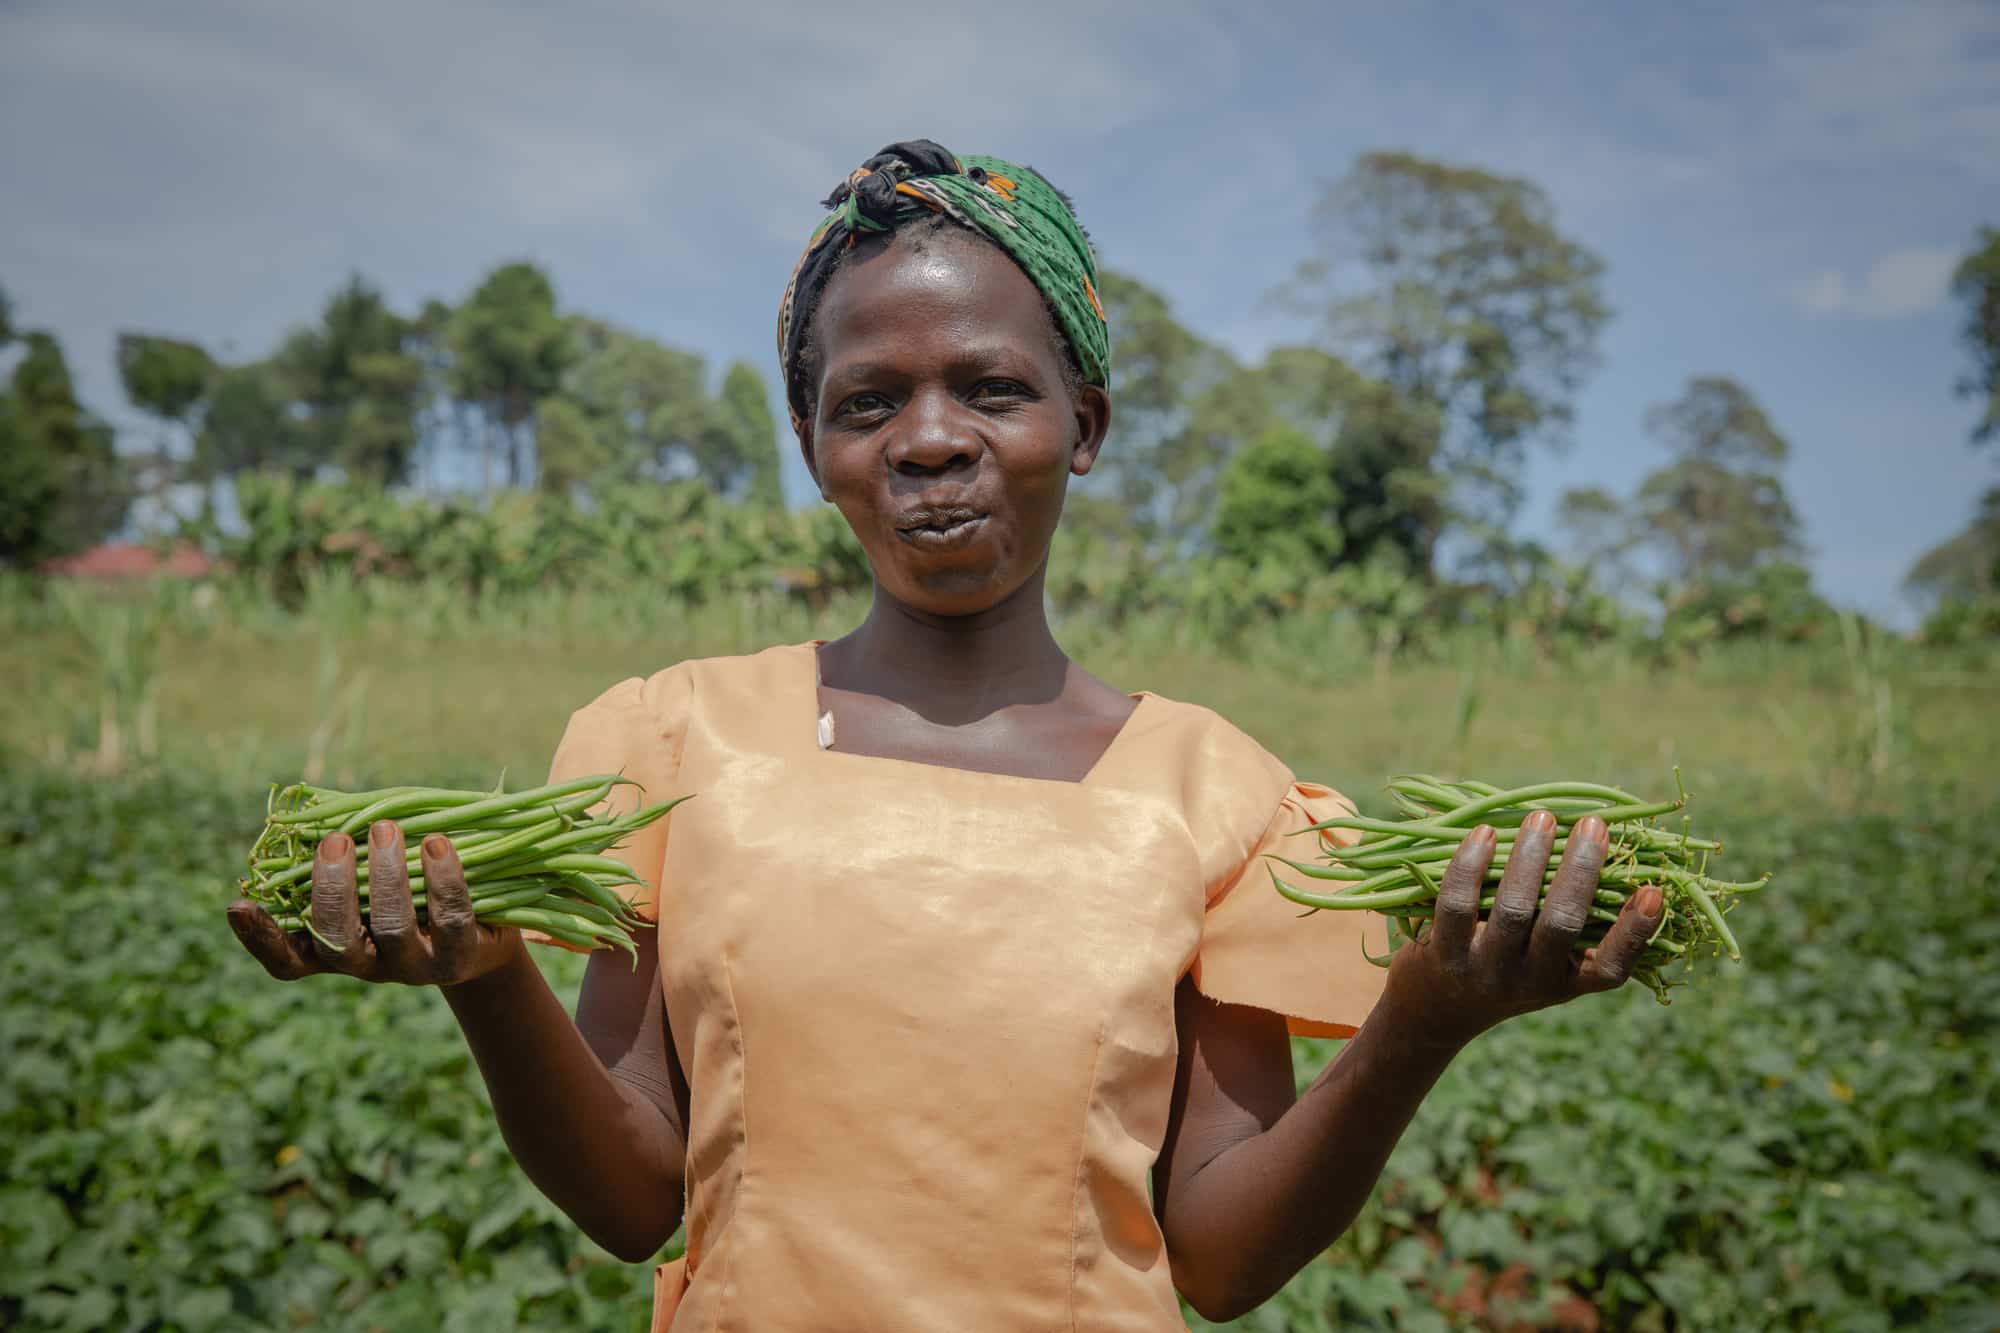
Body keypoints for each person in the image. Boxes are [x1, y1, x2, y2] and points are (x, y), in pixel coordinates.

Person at [226, 139, 1664, 1331]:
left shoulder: (1220, 797)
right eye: (870, 401)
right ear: (815, 445)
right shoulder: (679, 746)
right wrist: (483, 977)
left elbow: (1218, 1255)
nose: (929, 438)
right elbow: (632, 1197)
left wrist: (1422, 1016)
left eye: (990, 386)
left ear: (1081, 424)